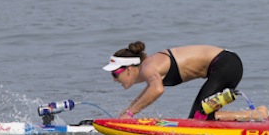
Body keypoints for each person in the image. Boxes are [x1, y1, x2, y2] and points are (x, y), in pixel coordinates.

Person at [102, 41, 243, 120]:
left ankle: (256, 115)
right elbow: (146, 94)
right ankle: (255, 115)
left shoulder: (148, 67)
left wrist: (130, 114)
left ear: (129, 69)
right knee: (203, 115)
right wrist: (125, 112)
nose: (114, 80)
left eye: (115, 74)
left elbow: (157, 90)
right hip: (227, 64)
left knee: (198, 117)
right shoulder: (149, 69)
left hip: (225, 64)